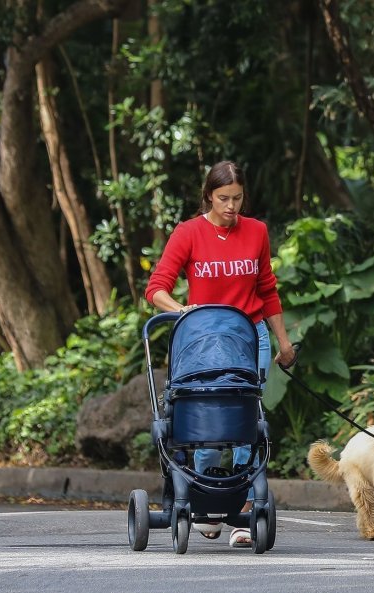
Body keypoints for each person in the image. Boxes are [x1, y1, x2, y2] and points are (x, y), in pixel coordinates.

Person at [145, 160, 296, 547]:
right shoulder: (189, 233)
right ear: (209, 196)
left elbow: (267, 289)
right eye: (224, 198)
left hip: (251, 336)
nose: (231, 206)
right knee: (209, 422)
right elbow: (156, 287)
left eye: (238, 198)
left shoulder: (257, 231)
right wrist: (182, 311)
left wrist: (283, 341)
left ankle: (243, 513)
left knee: (245, 420)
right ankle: (206, 498)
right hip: (204, 341)